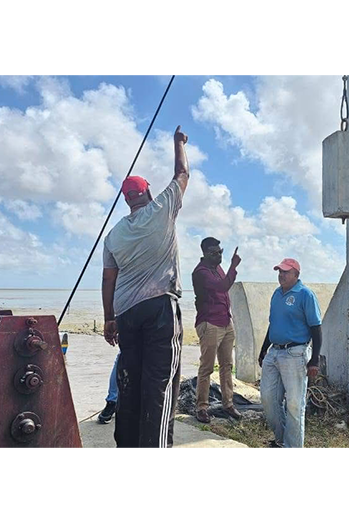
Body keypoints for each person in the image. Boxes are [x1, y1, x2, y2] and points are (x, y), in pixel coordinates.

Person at [102, 125, 189, 448]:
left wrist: (109, 319)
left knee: (130, 385)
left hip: (126, 314)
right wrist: (178, 143)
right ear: (148, 193)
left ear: (126, 200)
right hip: (159, 310)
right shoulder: (161, 209)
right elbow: (182, 173)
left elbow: (108, 278)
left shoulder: (114, 235)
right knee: (159, 387)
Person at [258, 258, 322, 448]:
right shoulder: (277, 294)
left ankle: (292, 445)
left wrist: (314, 360)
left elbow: (316, 328)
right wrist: (263, 350)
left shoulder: (305, 295)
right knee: (268, 399)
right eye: (279, 272)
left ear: (296, 274)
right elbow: (273, 325)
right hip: (274, 353)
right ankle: (281, 440)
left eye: (286, 272)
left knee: (294, 404)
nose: (281, 275)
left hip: (295, 353)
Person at [191, 237, 242, 423]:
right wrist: (233, 266)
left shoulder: (217, 268)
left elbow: (223, 290)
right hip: (209, 322)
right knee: (206, 367)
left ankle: (228, 404)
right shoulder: (201, 272)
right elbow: (223, 286)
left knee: (227, 365)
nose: (218, 256)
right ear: (204, 253)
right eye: (214, 253)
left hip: (225, 321)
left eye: (220, 252)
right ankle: (202, 407)